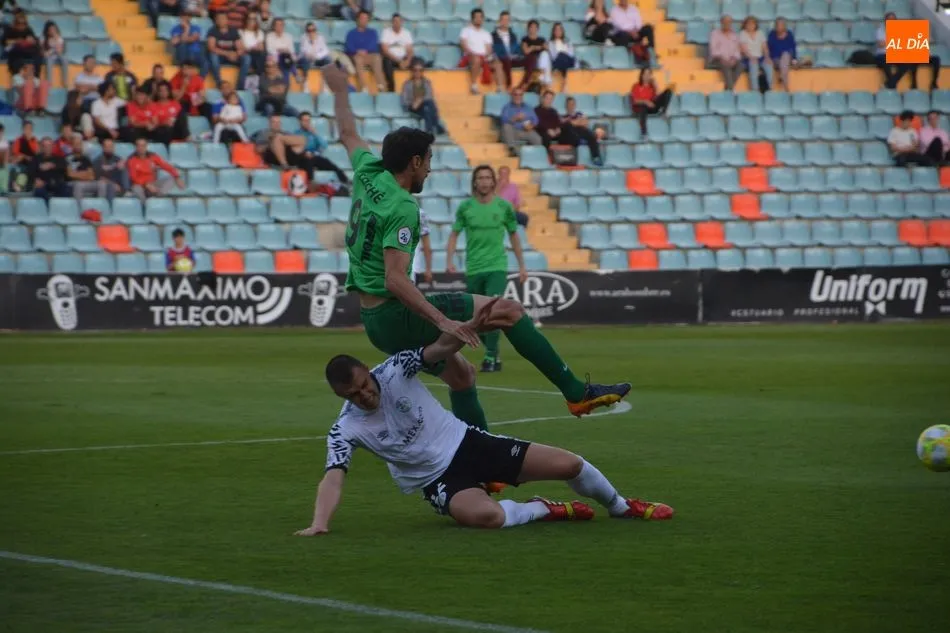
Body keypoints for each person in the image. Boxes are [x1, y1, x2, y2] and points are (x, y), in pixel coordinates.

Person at [321, 63, 631, 432]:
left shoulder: (368, 170)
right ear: (415, 162)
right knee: (511, 311)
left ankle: (483, 468)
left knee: (463, 376)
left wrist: (340, 90)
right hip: (395, 314)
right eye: (429, 162)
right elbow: (394, 278)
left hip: (376, 323)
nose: (430, 171)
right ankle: (576, 392)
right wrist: (442, 320)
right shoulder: (403, 207)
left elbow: (346, 131)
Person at [294, 331, 672, 535]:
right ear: (339, 397)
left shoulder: (394, 369)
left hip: (468, 442)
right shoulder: (346, 428)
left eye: (364, 383)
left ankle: (621, 507)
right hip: (437, 480)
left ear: (367, 369)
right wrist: (319, 524)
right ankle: (543, 509)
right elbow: (333, 477)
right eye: (353, 395)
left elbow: (437, 349)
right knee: (487, 519)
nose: (365, 394)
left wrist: (466, 326)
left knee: (570, 465)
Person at [446, 165, 526, 373]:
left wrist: (522, 265)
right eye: (480, 178)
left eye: (488, 178)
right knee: (477, 317)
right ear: (475, 182)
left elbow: (514, 235)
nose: (484, 181)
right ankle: (494, 353)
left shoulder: (504, 207)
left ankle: (490, 357)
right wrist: (449, 258)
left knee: (492, 310)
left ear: (493, 182)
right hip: (474, 267)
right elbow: (454, 233)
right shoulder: (465, 207)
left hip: (497, 266)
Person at [295, 111, 350, 185]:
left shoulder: (313, 133)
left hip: (314, 156)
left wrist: (315, 133)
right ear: (300, 122)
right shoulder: (296, 133)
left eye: (308, 120)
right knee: (308, 162)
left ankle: (346, 181)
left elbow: (324, 145)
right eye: (304, 120)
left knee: (329, 163)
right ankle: (310, 184)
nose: (307, 122)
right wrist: (304, 153)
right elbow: (295, 149)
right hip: (302, 157)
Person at [127, 137, 185, 201]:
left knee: (172, 179)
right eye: (139, 145)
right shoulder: (131, 160)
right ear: (136, 147)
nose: (141, 148)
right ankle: (145, 205)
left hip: (153, 183)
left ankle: (159, 196)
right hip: (139, 184)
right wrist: (146, 184)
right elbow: (134, 178)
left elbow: (166, 166)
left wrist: (177, 177)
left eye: (143, 145)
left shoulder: (153, 156)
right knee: (136, 189)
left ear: (146, 147)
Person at [459, 8, 501, 94]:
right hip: (470, 55)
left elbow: (489, 48)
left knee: (498, 63)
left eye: (480, 17)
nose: (479, 19)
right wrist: (471, 53)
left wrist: (488, 55)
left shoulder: (486, 33)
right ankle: (473, 86)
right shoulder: (466, 30)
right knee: (477, 59)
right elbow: (463, 44)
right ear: (472, 19)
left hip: (484, 56)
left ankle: (499, 88)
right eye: (476, 17)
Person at [344, 10, 386, 93]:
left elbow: (374, 46)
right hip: (355, 56)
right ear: (358, 19)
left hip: (368, 55)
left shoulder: (372, 32)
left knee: (377, 57)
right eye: (362, 18)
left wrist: (365, 51)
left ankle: (381, 86)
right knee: (358, 59)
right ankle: (364, 87)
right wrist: (357, 51)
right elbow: (349, 47)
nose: (364, 20)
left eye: (366, 18)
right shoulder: (351, 33)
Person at [400, 60, 446, 135]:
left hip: (424, 106)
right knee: (429, 105)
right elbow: (404, 100)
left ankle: (429, 131)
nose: (418, 72)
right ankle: (437, 126)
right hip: (413, 107)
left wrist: (420, 100)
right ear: (412, 71)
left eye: (420, 70)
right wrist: (413, 104)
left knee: (427, 108)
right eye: (415, 70)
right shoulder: (407, 84)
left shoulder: (427, 82)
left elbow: (429, 95)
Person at [207, 10, 250, 89]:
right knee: (213, 57)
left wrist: (236, 54)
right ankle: (219, 84)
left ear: (227, 20)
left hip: (233, 56)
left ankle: (240, 86)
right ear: (216, 21)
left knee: (246, 58)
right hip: (221, 57)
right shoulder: (213, 31)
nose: (221, 20)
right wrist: (228, 54)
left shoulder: (233, 31)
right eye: (218, 19)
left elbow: (241, 47)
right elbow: (211, 48)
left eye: (223, 18)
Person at [629, 67, 672, 137]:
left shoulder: (651, 86)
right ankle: (644, 133)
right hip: (642, 108)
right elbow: (635, 101)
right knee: (643, 107)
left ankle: (664, 112)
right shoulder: (636, 86)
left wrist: (655, 84)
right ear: (641, 75)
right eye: (645, 74)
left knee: (668, 91)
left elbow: (658, 96)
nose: (647, 76)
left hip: (652, 107)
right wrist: (646, 102)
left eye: (649, 74)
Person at [609, 0, 654, 65]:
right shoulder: (614, 10)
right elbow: (618, 25)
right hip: (623, 33)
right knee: (623, 35)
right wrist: (630, 32)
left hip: (636, 32)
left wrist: (635, 31)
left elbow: (639, 23)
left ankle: (651, 51)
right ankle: (626, 58)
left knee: (648, 28)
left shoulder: (633, 9)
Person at [65, 133, 108, 200]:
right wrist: (85, 174)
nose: (78, 146)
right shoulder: (68, 158)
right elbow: (70, 174)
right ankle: (79, 209)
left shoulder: (86, 158)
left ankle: (99, 208)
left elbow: (92, 176)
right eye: (76, 144)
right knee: (78, 185)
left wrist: (78, 174)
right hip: (73, 183)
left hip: (87, 182)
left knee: (101, 184)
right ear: (72, 145)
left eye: (80, 144)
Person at [562, 95, 603, 165]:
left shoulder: (579, 114)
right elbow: (570, 124)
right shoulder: (564, 117)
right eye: (569, 104)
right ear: (566, 106)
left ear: (575, 105)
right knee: (570, 129)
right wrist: (578, 122)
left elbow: (585, 122)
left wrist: (574, 122)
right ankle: (581, 142)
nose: (571, 106)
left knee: (591, 135)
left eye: (572, 104)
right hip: (572, 134)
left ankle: (596, 157)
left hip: (582, 131)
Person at [267, 18, 306, 90]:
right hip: (274, 57)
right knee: (285, 59)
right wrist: (281, 50)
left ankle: (287, 87)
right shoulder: (269, 36)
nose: (279, 27)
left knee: (287, 60)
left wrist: (285, 51)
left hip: (287, 58)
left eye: (281, 25)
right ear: (274, 26)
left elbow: (291, 50)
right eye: (277, 25)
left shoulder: (288, 36)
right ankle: (296, 74)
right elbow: (270, 49)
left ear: (283, 26)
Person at [380, 13, 415, 93]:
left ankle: (414, 89)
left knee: (417, 62)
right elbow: (385, 50)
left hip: (404, 58)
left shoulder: (406, 33)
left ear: (402, 22)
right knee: (386, 61)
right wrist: (399, 61)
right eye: (395, 21)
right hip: (391, 58)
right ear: (392, 22)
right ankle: (391, 89)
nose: (397, 23)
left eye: (399, 21)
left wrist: (407, 61)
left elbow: (410, 50)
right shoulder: (386, 32)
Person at [500, 88, 542, 153]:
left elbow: (536, 120)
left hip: (525, 130)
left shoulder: (528, 107)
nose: (518, 97)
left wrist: (531, 125)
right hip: (513, 131)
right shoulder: (507, 107)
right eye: (515, 95)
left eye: (520, 95)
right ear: (512, 96)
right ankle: (513, 150)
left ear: (522, 96)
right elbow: (503, 121)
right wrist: (514, 118)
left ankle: (532, 154)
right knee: (506, 127)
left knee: (537, 138)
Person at [2, 10, 41, 75]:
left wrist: (32, 41)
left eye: (23, 24)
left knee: (37, 53)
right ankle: (16, 74)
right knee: (16, 55)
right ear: (15, 23)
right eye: (19, 23)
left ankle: (36, 75)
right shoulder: (9, 29)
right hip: (13, 49)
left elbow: (34, 40)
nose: (21, 26)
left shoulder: (28, 29)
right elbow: (4, 41)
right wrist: (16, 41)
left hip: (25, 49)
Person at [708, 15, 742, 91]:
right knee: (725, 65)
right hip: (718, 59)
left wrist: (734, 59)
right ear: (721, 23)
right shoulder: (715, 34)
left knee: (741, 65)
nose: (727, 24)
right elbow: (713, 50)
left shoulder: (734, 35)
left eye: (729, 22)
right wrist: (722, 58)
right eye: (725, 22)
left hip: (731, 59)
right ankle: (731, 89)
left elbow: (737, 51)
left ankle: (729, 87)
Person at [739, 16, 772, 92]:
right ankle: (755, 90)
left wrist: (767, 57)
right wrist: (751, 57)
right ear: (745, 25)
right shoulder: (742, 33)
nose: (750, 25)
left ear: (755, 25)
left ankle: (769, 89)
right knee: (754, 65)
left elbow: (765, 47)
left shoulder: (760, 33)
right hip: (748, 58)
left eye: (752, 24)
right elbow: (744, 49)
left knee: (769, 64)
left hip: (760, 57)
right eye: (748, 24)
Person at [492, 11, 521, 91]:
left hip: (512, 59)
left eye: (507, 20)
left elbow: (517, 50)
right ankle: (509, 84)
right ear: (499, 21)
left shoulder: (513, 36)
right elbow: (494, 51)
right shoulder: (493, 36)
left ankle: (524, 85)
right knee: (505, 59)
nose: (505, 22)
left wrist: (515, 55)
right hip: (501, 59)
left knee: (531, 59)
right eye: (503, 20)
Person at [766, 18, 797, 91]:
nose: (779, 26)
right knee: (783, 60)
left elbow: (793, 47)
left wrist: (794, 59)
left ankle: (783, 78)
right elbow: (770, 49)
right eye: (778, 25)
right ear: (775, 26)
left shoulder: (789, 34)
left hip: (787, 58)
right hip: (775, 59)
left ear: (784, 26)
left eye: (781, 25)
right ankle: (786, 87)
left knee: (785, 55)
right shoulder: (772, 34)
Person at [298, 21, 332, 86]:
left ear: (315, 30)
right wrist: (312, 41)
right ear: (306, 31)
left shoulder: (320, 37)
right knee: (305, 59)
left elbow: (326, 50)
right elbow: (304, 51)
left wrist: (317, 56)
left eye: (313, 30)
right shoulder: (303, 38)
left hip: (317, 59)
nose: (311, 32)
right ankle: (306, 82)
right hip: (308, 59)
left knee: (328, 59)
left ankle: (325, 81)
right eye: (309, 30)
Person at [519, 19, 546, 90]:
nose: (533, 29)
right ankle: (527, 83)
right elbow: (526, 51)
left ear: (538, 29)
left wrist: (535, 48)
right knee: (532, 58)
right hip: (530, 59)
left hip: (541, 60)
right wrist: (533, 47)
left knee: (545, 55)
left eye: (535, 27)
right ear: (528, 28)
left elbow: (546, 49)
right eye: (531, 27)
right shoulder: (525, 39)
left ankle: (543, 77)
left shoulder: (542, 40)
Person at [546, 23, 576, 87]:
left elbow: (571, 54)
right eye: (556, 30)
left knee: (563, 56)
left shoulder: (568, 42)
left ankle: (557, 70)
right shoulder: (550, 43)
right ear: (553, 32)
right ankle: (565, 81)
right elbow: (553, 56)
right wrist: (562, 53)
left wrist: (563, 53)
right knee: (561, 55)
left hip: (568, 61)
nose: (558, 31)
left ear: (562, 31)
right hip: (557, 61)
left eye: (559, 29)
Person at [42, 21, 68, 88]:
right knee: (49, 61)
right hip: (50, 56)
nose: (53, 31)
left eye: (54, 29)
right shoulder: (44, 39)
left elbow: (60, 51)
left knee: (64, 59)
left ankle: (65, 81)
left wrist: (56, 41)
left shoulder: (60, 38)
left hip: (58, 55)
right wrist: (52, 50)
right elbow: (45, 53)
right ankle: (49, 82)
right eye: (51, 30)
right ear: (47, 31)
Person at [240, 13, 267, 78]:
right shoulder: (241, 32)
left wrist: (253, 47)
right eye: (249, 19)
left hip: (257, 54)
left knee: (263, 53)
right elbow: (242, 47)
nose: (251, 21)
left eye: (254, 19)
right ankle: (258, 76)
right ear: (246, 20)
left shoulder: (260, 32)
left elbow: (261, 47)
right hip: (246, 53)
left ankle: (257, 75)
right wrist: (254, 47)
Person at [412, 205, 432, 284]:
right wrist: (428, 269)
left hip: (412, 268)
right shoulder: (420, 212)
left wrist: (428, 269)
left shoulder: (420, 213)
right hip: (411, 269)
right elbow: (426, 245)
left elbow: (426, 244)